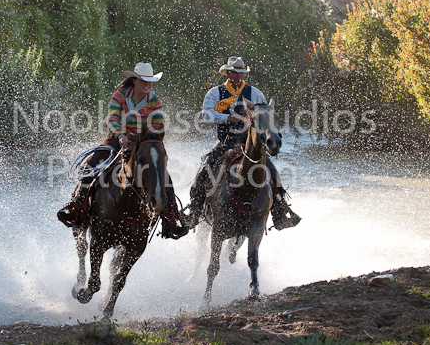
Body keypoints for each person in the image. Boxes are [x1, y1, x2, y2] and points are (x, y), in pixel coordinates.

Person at [57, 62, 189, 239]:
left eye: (150, 81)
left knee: (163, 177)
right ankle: (77, 208)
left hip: (143, 141)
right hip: (117, 139)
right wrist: (121, 136)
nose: (148, 85)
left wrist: (141, 138)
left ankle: (171, 221)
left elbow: (156, 125)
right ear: (134, 80)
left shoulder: (155, 100)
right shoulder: (120, 95)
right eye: (144, 81)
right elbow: (111, 119)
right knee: (92, 164)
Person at [187, 56, 301, 230]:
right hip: (225, 143)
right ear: (228, 73)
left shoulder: (255, 94)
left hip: (252, 145)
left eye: (241, 73)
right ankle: (194, 212)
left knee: (273, 174)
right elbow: (206, 114)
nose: (239, 76)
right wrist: (227, 118)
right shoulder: (215, 93)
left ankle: (280, 212)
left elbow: (265, 116)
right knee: (204, 170)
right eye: (235, 73)